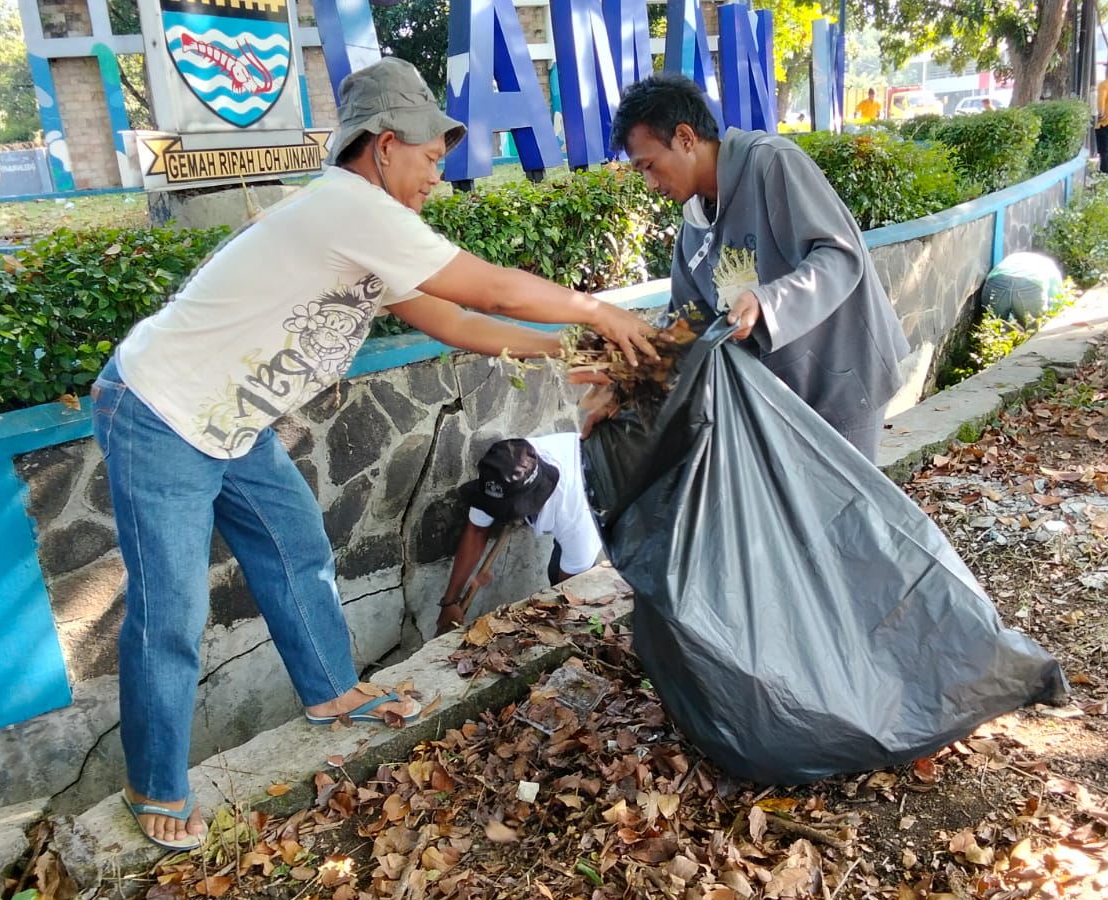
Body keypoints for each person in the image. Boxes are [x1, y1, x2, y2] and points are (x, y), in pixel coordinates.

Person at [91, 57, 658, 851]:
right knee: (171, 614)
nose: (436, 174)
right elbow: (487, 290)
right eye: (430, 158)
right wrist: (598, 311)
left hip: (231, 421)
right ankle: (153, 782)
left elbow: (457, 324)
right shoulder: (348, 207)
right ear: (384, 146)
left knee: (296, 551)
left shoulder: (362, 233)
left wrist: (563, 348)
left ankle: (330, 693)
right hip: (158, 410)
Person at [608, 74, 910, 462]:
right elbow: (686, 322)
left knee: (848, 513)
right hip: (783, 399)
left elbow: (840, 255)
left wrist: (767, 303)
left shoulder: (771, 162)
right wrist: (629, 385)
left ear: (685, 137)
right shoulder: (693, 228)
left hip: (844, 379)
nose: (650, 183)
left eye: (649, 165)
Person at [436, 435, 601, 634]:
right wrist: (449, 602)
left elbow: (570, 589)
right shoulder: (503, 472)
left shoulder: (576, 517)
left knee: (561, 585)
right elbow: (477, 530)